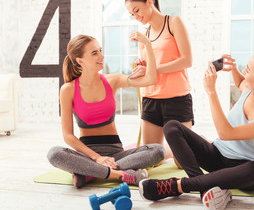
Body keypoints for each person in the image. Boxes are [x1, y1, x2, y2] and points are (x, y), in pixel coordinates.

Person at [138, 49, 254, 210]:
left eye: (248, 69)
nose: (244, 70)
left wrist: (211, 92)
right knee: (171, 127)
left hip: (243, 171)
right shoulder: (250, 87)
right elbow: (240, 83)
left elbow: (226, 133)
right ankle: (204, 189)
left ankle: (178, 186)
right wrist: (232, 68)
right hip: (216, 156)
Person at [47, 33, 165, 189]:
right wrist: (97, 158)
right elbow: (68, 136)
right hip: (88, 155)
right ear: (80, 61)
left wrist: (147, 44)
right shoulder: (68, 90)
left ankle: (89, 174)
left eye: (100, 50)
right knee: (54, 153)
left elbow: (150, 80)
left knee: (158, 150)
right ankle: (121, 175)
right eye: (95, 53)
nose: (102, 56)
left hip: (116, 153)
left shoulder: (112, 80)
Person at [125, 0, 194, 164]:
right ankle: (172, 149)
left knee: (182, 163)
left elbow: (186, 60)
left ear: (149, 1)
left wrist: (153, 69)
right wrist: (141, 68)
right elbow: (148, 67)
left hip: (177, 98)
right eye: (132, 14)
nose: (136, 16)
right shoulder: (144, 35)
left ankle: (195, 142)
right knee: (151, 159)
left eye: (137, 10)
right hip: (151, 99)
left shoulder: (173, 22)